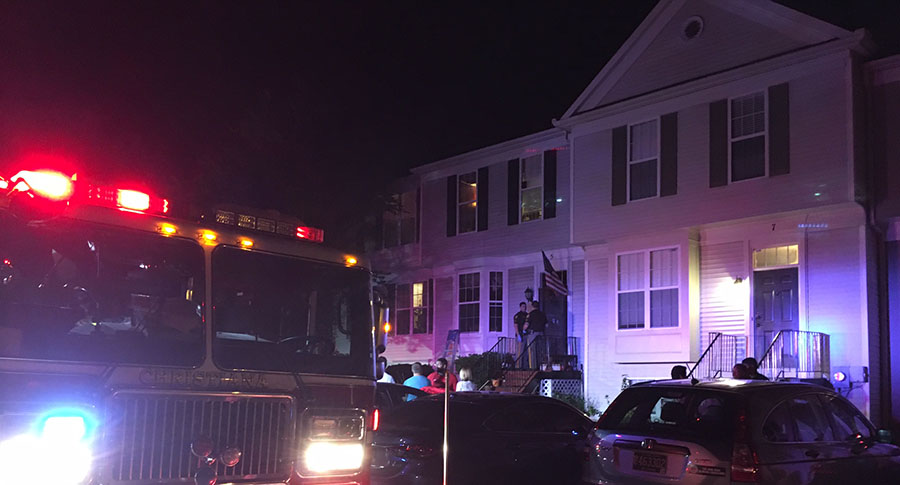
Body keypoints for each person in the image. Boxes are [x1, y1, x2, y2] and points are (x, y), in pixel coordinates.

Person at [522, 300, 548, 368]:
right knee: (541, 350)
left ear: (532, 306)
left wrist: (523, 330)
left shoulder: (530, 314)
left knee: (531, 351)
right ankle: (541, 366)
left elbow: (526, 324)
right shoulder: (542, 314)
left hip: (532, 334)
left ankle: (532, 367)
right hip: (541, 334)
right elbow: (546, 325)